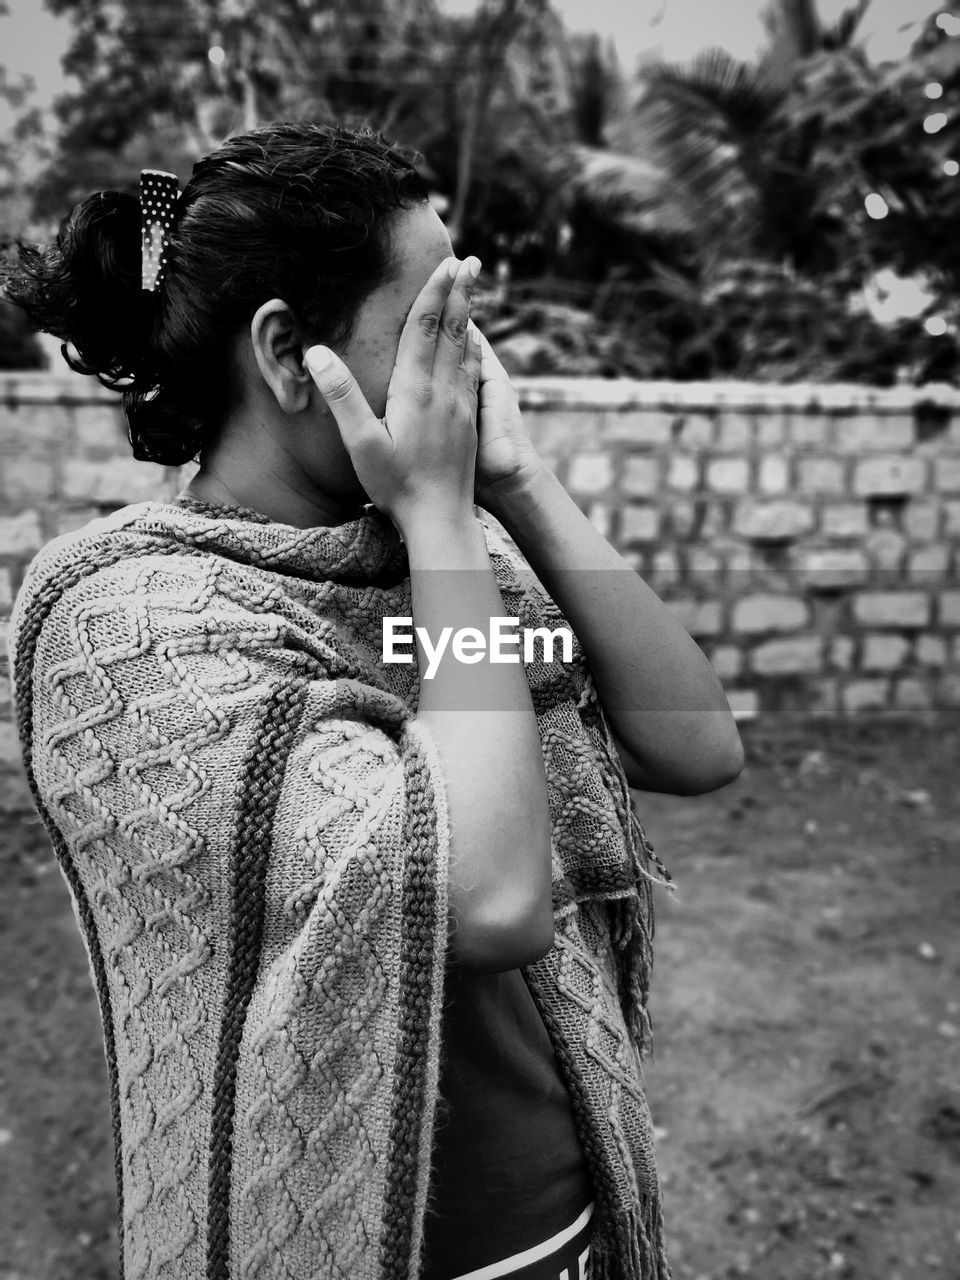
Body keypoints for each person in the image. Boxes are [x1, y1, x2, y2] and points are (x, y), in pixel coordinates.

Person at [3, 120, 744, 1280]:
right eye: (430, 331)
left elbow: (698, 745)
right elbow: (493, 901)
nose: (464, 369)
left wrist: (518, 484)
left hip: (569, 1213)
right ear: (292, 354)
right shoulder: (135, 625)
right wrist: (445, 519)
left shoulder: (446, 558)